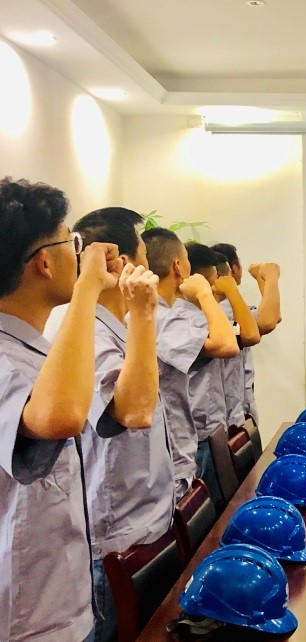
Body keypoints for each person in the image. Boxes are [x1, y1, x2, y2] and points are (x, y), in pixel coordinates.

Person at [0, 178, 122, 641]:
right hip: (27, 621)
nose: (82, 254)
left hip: (60, 604)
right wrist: (89, 287)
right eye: (73, 244)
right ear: (44, 263)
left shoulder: (36, 350)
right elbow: (61, 415)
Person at [72, 208, 171, 642]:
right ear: (122, 263)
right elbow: (132, 412)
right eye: (145, 256)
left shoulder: (123, 327)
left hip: (147, 523)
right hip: (118, 540)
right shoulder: (90, 335)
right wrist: (144, 315)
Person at [142, 229, 237, 503]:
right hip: (171, 455)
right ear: (178, 266)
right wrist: (205, 293)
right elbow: (227, 345)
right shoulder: (160, 316)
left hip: (180, 447)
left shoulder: (162, 313)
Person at [183, 242, 256, 512]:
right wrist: (209, 295)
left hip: (219, 424)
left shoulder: (211, 316)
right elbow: (239, 340)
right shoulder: (184, 320)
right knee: (215, 514)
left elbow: (251, 333)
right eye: (214, 282)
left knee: (229, 505)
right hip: (199, 434)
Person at [210, 242, 281, 427]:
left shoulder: (231, 306)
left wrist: (261, 279)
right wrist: (270, 277)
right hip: (226, 413)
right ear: (233, 269)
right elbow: (267, 322)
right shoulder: (225, 308)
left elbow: (270, 318)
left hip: (238, 403)